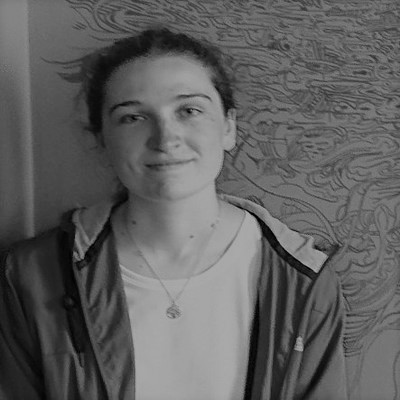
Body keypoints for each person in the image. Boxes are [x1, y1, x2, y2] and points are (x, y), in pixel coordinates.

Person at [0, 27, 347, 400]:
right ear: (102, 139)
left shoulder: (302, 278)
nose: (165, 138)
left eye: (189, 111)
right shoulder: (34, 275)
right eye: (133, 117)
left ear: (228, 127)